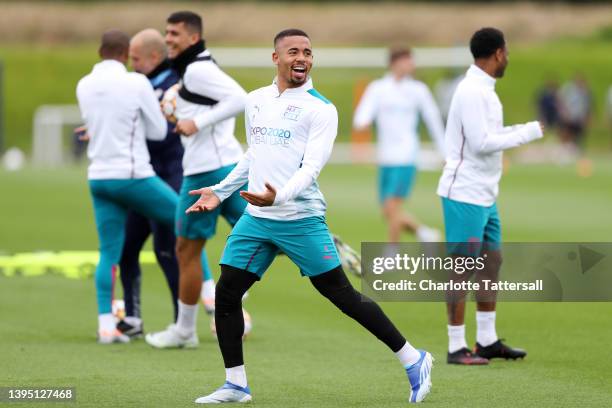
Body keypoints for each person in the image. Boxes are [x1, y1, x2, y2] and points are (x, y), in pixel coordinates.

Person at [186, 29, 433, 404]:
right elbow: (253, 156)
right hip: (257, 218)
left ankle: (414, 359)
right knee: (227, 290)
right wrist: (220, 192)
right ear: (276, 58)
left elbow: (311, 169)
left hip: (300, 217)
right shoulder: (255, 101)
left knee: (343, 296)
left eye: (307, 52)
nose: (302, 58)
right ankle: (236, 384)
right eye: (293, 52)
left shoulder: (321, 109)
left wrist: (278, 196)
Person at [437, 27, 543, 365]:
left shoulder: (485, 90)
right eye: (506, 51)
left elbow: (490, 136)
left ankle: (486, 340)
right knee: (463, 267)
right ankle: (456, 347)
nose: (507, 57)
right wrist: (526, 132)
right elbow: (482, 141)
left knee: (490, 264)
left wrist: (516, 132)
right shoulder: (470, 91)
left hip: (485, 194)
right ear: (498, 53)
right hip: (464, 193)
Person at [144, 11, 249, 349]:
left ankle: (185, 331)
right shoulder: (195, 67)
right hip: (228, 165)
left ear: (192, 37)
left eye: (174, 33)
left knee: (185, 251)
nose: (168, 39)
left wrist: (197, 123)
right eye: (166, 33)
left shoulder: (199, 69)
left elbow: (240, 99)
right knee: (262, 234)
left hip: (205, 172)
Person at [76, 30, 177, 344]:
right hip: (133, 176)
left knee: (109, 253)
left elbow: (101, 124)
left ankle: (107, 324)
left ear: (100, 51)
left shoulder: (84, 84)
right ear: (123, 54)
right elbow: (159, 132)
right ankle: (210, 294)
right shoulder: (137, 83)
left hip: (98, 179)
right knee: (185, 220)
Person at [353, 48, 445, 244]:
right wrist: (363, 122)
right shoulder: (378, 88)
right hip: (385, 157)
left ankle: (391, 253)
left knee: (393, 206)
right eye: (406, 61)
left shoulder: (418, 90)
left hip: (406, 156)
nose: (410, 66)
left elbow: (433, 120)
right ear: (394, 63)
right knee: (387, 211)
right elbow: (362, 116)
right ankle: (424, 233)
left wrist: (444, 151)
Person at [559, 74, 592, 150]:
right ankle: (564, 149)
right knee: (567, 134)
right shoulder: (568, 89)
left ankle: (577, 149)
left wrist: (587, 116)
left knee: (579, 135)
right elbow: (561, 101)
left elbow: (587, 105)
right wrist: (564, 113)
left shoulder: (585, 91)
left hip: (579, 118)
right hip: (569, 117)